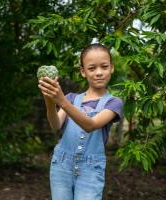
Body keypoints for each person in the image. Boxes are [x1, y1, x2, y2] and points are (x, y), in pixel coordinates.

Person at [38, 43, 123, 200]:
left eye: (104, 67)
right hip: (61, 165)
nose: (99, 73)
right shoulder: (71, 98)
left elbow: (91, 125)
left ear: (112, 68)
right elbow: (55, 125)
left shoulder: (113, 102)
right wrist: (49, 99)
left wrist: (61, 100)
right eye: (92, 68)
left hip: (90, 169)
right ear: (83, 72)